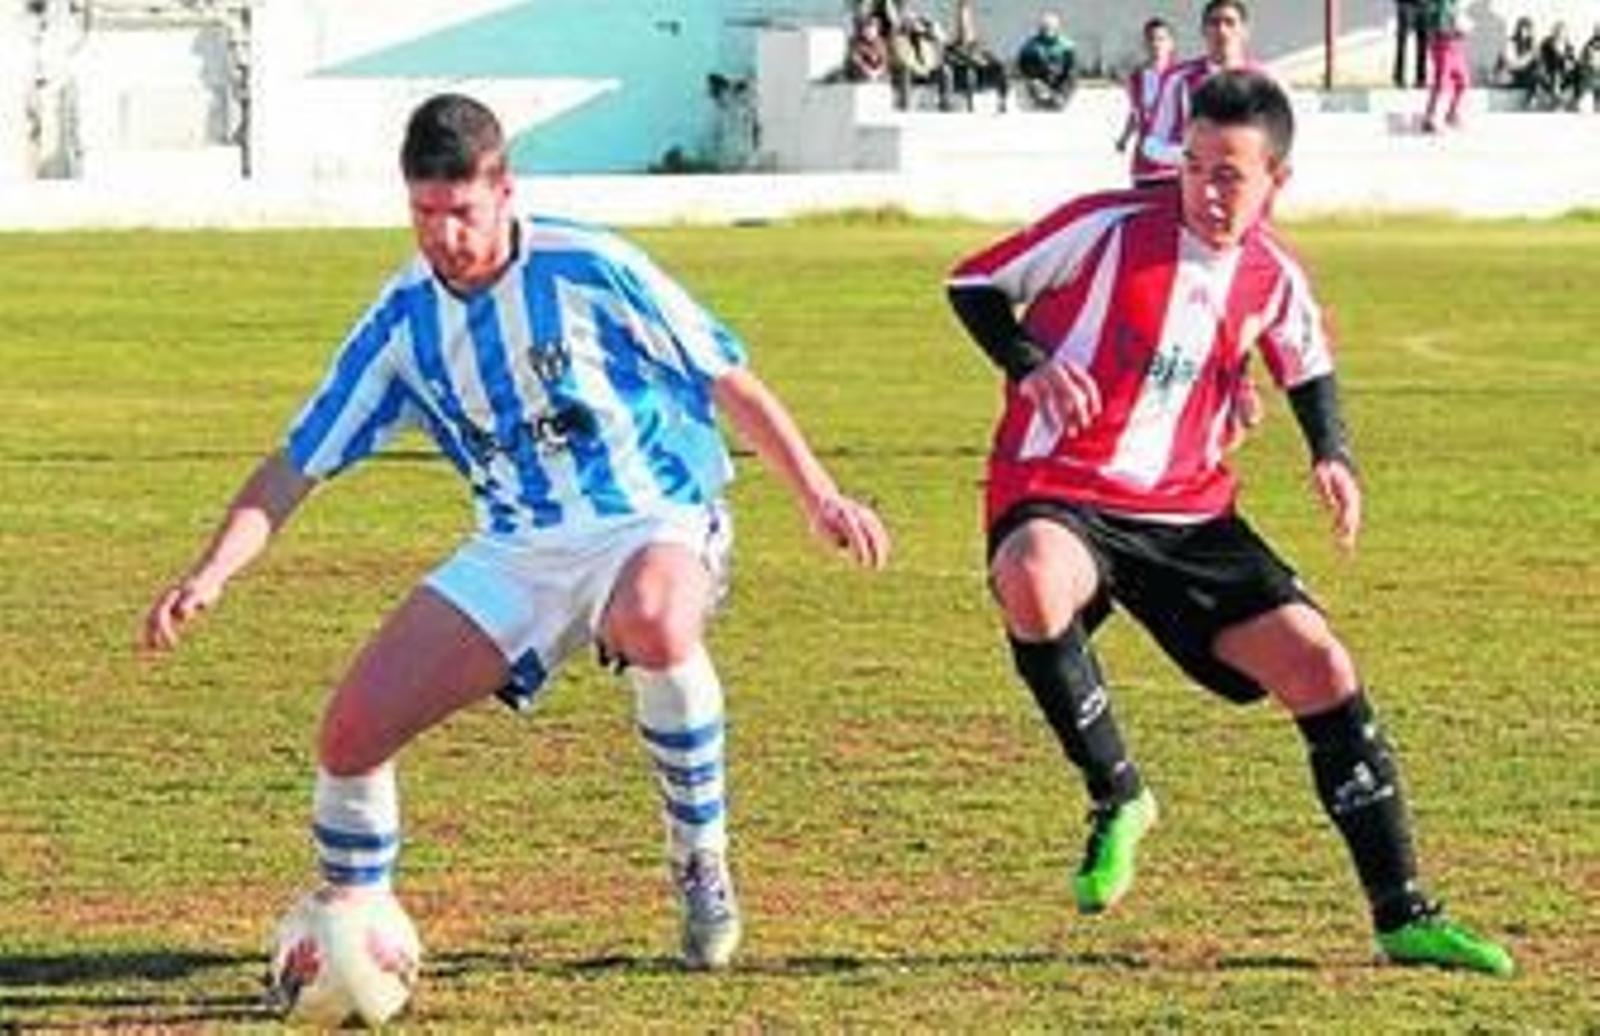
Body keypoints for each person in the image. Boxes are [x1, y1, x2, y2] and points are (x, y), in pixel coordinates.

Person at [141, 92, 891, 975]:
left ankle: (700, 859)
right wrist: (212, 572)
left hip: (651, 514)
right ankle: (351, 933)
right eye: (425, 213)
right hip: (517, 548)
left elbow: (726, 376)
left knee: (655, 620)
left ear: (504, 192)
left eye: (461, 212)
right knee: (349, 736)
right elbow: (298, 462)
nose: (443, 235)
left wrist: (822, 496)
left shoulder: (591, 266)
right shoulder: (402, 321)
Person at [944, 70, 1514, 977]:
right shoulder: (1106, 226)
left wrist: (1333, 454)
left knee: (1322, 664)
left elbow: (1306, 362)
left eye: (1230, 174)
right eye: (1195, 165)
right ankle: (1118, 795)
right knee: (1034, 575)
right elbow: (973, 281)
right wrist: (1028, 362)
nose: (1207, 189)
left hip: (1191, 516)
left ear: (1275, 181)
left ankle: (1404, 915)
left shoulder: (1272, 273)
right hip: (1063, 487)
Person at [1140, 0, 1265, 184]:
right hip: (1195, 190)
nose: (1222, 30)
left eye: (1230, 22)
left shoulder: (1266, 80)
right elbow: (1151, 144)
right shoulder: (1178, 78)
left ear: (1245, 31)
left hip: (1246, 188)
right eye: (1214, 23)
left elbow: (1280, 141)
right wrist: (1189, 156)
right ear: (1203, 31)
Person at [1114, 16, 1177, 187]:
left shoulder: (1181, 76)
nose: (1156, 44)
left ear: (1171, 44)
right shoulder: (1136, 79)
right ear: (1144, 44)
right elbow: (1136, 112)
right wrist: (1124, 138)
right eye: (1150, 39)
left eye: (1161, 39)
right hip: (1144, 164)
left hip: (1174, 163)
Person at [945, 0, 1011, 112]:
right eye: (962, 28)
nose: (966, 30)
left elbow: (991, 61)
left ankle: (1002, 101)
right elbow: (950, 61)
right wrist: (968, 59)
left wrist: (982, 61)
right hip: (961, 80)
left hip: (980, 79)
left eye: (968, 28)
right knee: (969, 71)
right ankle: (960, 104)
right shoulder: (952, 48)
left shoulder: (979, 48)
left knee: (999, 68)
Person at [1420, 0, 1470, 131]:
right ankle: (1429, 119)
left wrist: (1460, 31)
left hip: (1454, 45)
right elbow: (1438, 27)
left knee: (1463, 82)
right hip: (1441, 45)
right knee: (1441, 83)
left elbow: (1454, 21)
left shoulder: (1454, 4)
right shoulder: (1438, 4)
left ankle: (1451, 114)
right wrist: (1456, 31)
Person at [1016, 11, 1078, 111]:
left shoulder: (1067, 45)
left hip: (1059, 78)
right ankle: (1035, 100)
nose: (1048, 35)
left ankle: (1059, 99)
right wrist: (1035, 78)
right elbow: (1024, 66)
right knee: (1027, 82)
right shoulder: (1031, 45)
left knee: (1071, 79)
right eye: (1045, 30)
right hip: (1038, 78)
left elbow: (1070, 66)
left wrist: (1060, 75)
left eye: (1051, 30)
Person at [1492, 15, 1540, 106]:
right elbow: (1512, 64)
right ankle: (1533, 97)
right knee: (1534, 74)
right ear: (1518, 29)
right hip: (1511, 76)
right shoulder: (1511, 42)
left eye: (1528, 30)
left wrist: (1533, 53)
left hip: (1525, 76)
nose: (1524, 33)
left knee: (1536, 71)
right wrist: (1529, 57)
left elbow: (1534, 63)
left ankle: (1533, 97)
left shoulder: (1530, 44)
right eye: (1523, 29)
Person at [1392, 0, 1431, 88]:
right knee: (1402, 40)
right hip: (1406, 4)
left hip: (1424, 5)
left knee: (1423, 42)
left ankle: (1421, 78)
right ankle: (1398, 77)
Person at [845, 13, 892, 83]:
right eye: (866, 30)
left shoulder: (881, 43)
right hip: (862, 75)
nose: (869, 32)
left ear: (877, 31)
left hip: (879, 75)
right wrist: (870, 73)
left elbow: (885, 61)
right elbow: (858, 61)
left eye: (872, 30)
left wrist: (878, 72)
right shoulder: (858, 44)